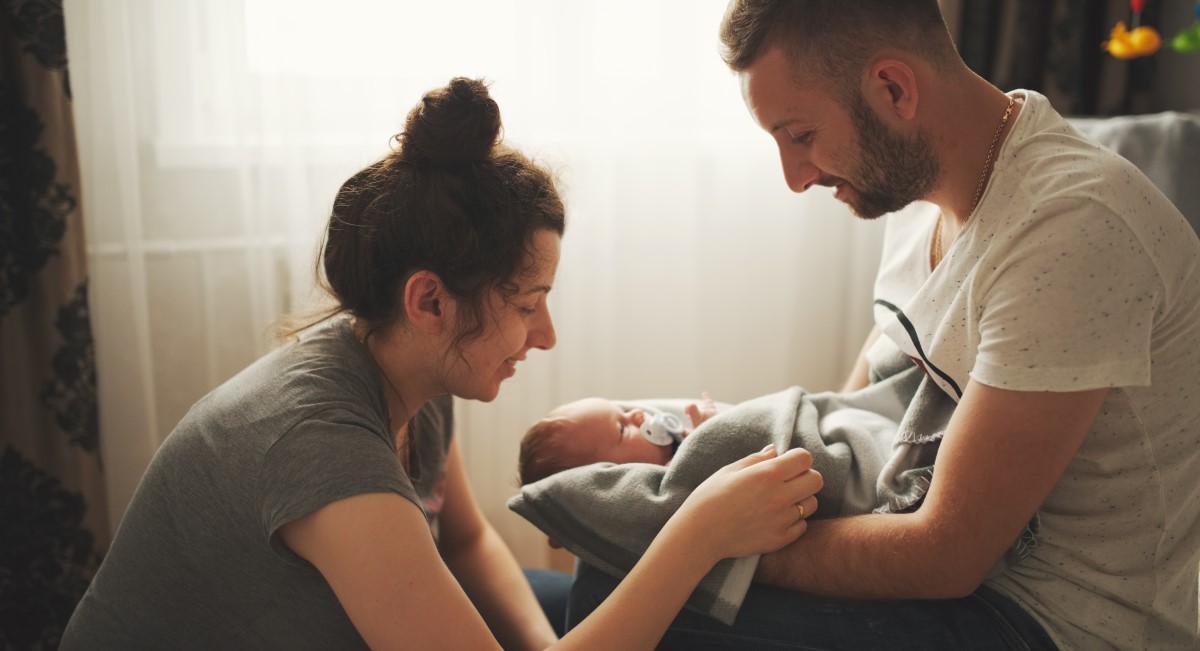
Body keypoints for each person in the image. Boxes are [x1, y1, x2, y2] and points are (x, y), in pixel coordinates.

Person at [60, 77, 824, 651]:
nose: (546, 335)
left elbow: (463, 541)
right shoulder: (320, 442)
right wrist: (697, 532)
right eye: (527, 303)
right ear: (429, 300)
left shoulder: (411, 377)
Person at [567, 2, 1200, 649]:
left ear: (894, 88)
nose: (794, 177)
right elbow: (851, 408)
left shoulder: (1071, 229)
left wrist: (688, 542)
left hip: (1055, 620)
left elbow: (944, 554)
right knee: (617, 568)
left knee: (621, 583)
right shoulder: (916, 197)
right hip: (965, 574)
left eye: (801, 135)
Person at [517, 394, 723, 484]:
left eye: (623, 411)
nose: (636, 414)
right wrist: (706, 433)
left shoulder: (678, 443)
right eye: (623, 428)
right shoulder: (660, 485)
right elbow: (695, 476)